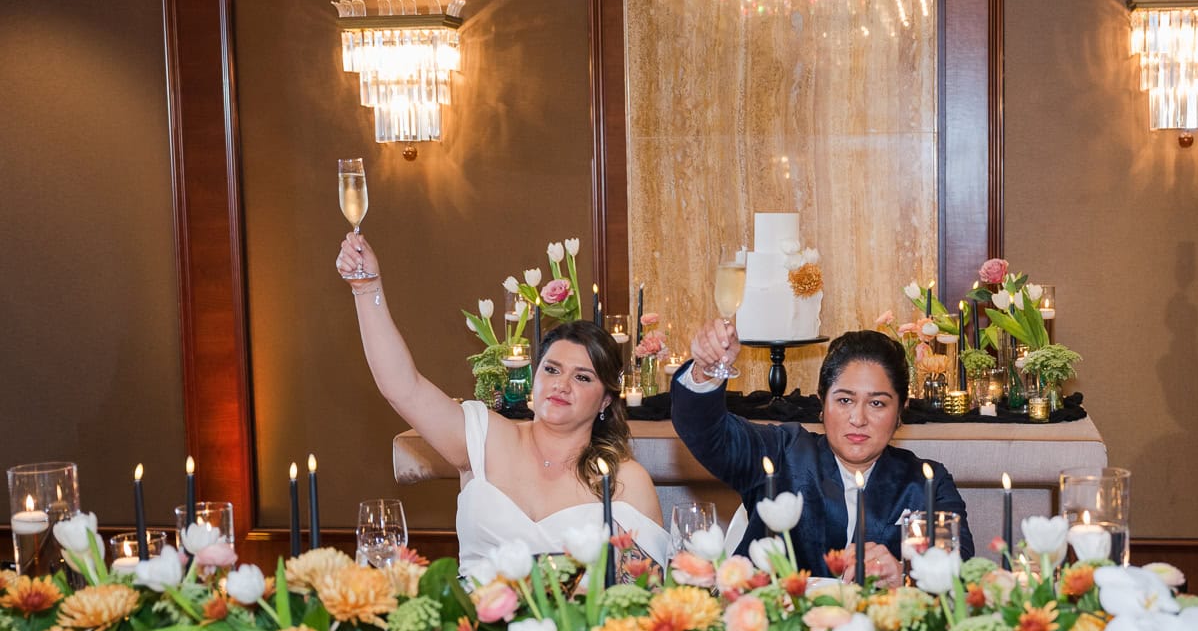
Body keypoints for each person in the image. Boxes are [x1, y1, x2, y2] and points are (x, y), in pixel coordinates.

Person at [335, 232, 667, 563]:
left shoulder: (625, 481)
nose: (561, 385)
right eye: (551, 369)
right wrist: (367, 290)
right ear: (534, 377)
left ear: (606, 400)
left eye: (582, 377)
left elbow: (648, 590)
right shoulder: (487, 437)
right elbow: (402, 388)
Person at [672, 319, 973, 581]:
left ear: (900, 412)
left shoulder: (926, 482)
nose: (858, 419)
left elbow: (958, 572)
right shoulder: (782, 455)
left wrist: (904, 577)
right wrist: (706, 371)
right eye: (844, 400)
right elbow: (707, 432)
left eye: (877, 403)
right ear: (822, 403)